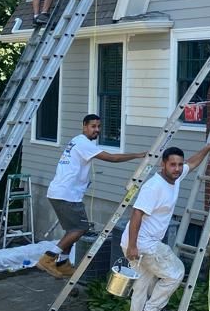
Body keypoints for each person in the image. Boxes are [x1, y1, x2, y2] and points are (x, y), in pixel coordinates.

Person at [122, 141, 210, 311]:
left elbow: (192, 164)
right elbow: (136, 214)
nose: (177, 169)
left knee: (140, 290)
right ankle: (152, 310)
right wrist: (132, 246)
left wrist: (207, 148)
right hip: (142, 244)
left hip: (139, 244)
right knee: (175, 273)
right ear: (163, 165)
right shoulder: (154, 186)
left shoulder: (175, 177)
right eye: (172, 165)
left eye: (179, 164)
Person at [37, 114, 147, 279]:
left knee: (72, 230)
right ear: (84, 126)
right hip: (67, 195)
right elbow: (112, 158)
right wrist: (138, 155)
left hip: (60, 193)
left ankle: (63, 263)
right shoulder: (83, 143)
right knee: (80, 229)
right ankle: (48, 258)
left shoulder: (77, 141)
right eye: (93, 126)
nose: (97, 130)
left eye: (99, 126)